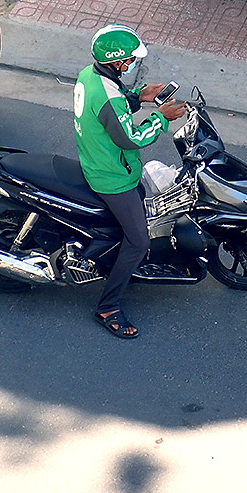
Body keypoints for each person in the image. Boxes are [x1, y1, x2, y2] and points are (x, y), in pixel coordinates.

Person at [73, 24, 187, 339]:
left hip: (99, 160)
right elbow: (131, 138)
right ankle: (108, 307)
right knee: (139, 241)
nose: (133, 63)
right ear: (117, 61)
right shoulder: (109, 96)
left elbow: (110, 108)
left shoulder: (91, 75)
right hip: (111, 176)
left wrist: (139, 96)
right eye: (130, 59)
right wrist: (161, 117)